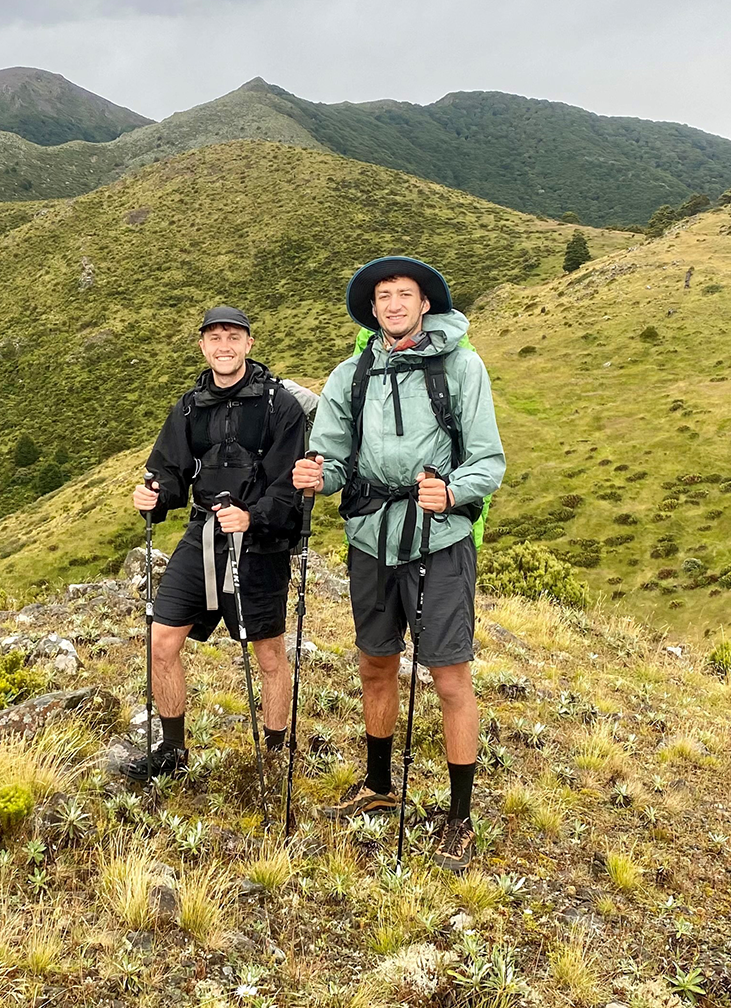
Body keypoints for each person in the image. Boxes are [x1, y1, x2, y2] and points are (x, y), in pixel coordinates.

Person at [292, 257, 505, 873]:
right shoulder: (351, 373)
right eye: (383, 296)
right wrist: (316, 475)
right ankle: (380, 785)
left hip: (440, 540)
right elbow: (332, 458)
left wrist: (453, 490)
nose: (393, 304)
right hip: (370, 538)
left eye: (404, 294)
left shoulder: (462, 366)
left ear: (424, 303)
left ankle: (459, 817)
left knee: (449, 676)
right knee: (375, 663)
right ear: (373, 308)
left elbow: (489, 461)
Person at [119, 306, 310, 782]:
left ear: (249, 344)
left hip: (260, 543)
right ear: (203, 346)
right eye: (214, 338)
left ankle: (273, 753)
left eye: (233, 337)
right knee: (161, 641)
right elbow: (169, 469)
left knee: (267, 653)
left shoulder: (279, 406)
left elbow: (291, 482)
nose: (224, 346)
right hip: (202, 535)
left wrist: (254, 517)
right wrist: (153, 494)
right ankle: (173, 750)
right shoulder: (189, 406)